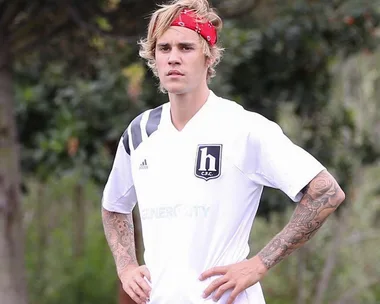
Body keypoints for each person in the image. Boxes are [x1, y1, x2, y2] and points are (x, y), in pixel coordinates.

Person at [101, 0, 346, 303]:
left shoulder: (243, 128)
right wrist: (126, 266)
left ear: (208, 56)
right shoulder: (139, 132)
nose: (173, 58)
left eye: (185, 48)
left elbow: (326, 191)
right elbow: (114, 206)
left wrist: (259, 263)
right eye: (164, 49)